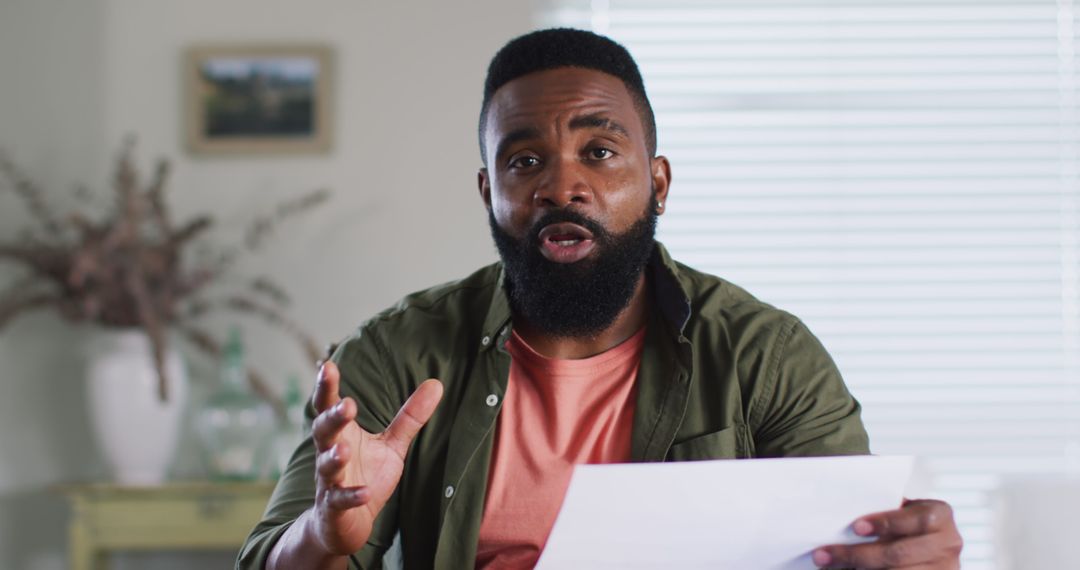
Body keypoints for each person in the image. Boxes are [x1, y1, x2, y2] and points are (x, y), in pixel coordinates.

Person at [238, 28, 963, 570]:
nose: (561, 186)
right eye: (525, 162)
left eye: (599, 151)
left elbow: (848, 550)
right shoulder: (397, 354)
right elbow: (275, 556)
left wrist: (903, 556)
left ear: (659, 183)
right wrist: (323, 535)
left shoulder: (766, 355)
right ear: (490, 194)